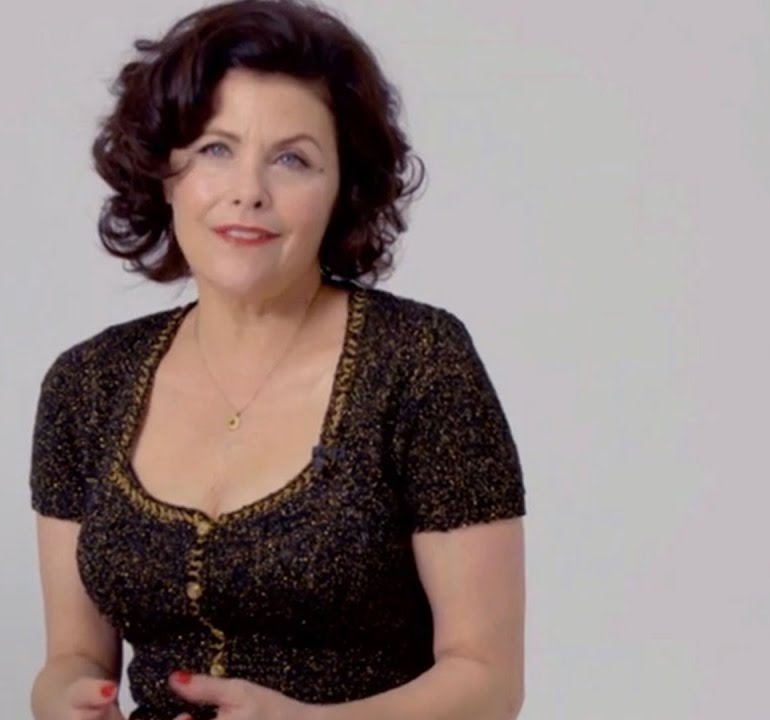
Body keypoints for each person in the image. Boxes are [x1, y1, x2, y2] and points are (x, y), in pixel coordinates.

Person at [28, 1, 527, 718]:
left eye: (292, 159)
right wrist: (64, 698)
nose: (248, 192)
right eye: (215, 149)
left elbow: (488, 681)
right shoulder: (86, 384)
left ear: (343, 186)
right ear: (165, 171)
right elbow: (72, 657)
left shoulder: (421, 362)